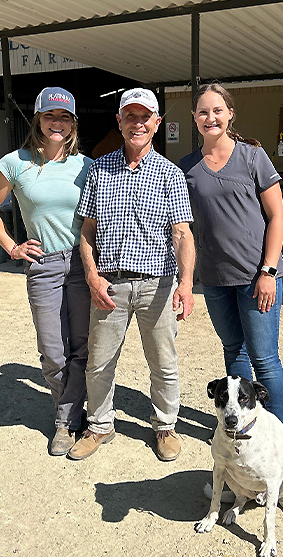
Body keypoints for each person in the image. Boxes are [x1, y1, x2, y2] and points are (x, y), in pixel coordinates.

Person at [69, 88, 195, 462]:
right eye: (130, 116)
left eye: (145, 117)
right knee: (100, 360)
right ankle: (99, 425)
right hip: (109, 282)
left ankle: (165, 426)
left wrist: (186, 283)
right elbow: (87, 230)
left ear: (156, 124)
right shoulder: (99, 169)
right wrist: (92, 276)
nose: (137, 123)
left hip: (157, 283)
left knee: (163, 360)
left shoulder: (170, 174)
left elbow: (182, 233)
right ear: (119, 122)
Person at [0, 87, 93, 456]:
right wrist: (12, 246)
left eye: (64, 118)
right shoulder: (15, 162)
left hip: (79, 262)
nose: (57, 123)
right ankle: (72, 413)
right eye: (50, 116)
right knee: (52, 351)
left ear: (72, 124)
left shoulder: (86, 166)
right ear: (38, 120)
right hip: (42, 265)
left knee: (81, 346)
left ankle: (67, 421)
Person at [179, 83, 283, 431]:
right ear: (194, 118)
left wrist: (268, 271)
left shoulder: (253, 157)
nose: (210, 117)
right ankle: (242, 427)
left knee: (265, 360)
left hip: (257, 277)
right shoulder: (187, 168)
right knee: (234, 353)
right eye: (202, 112)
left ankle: (278, 434)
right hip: (214, 280)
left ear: (229, 114)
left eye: (217, 110)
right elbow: (182, 227)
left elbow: (278, 216)